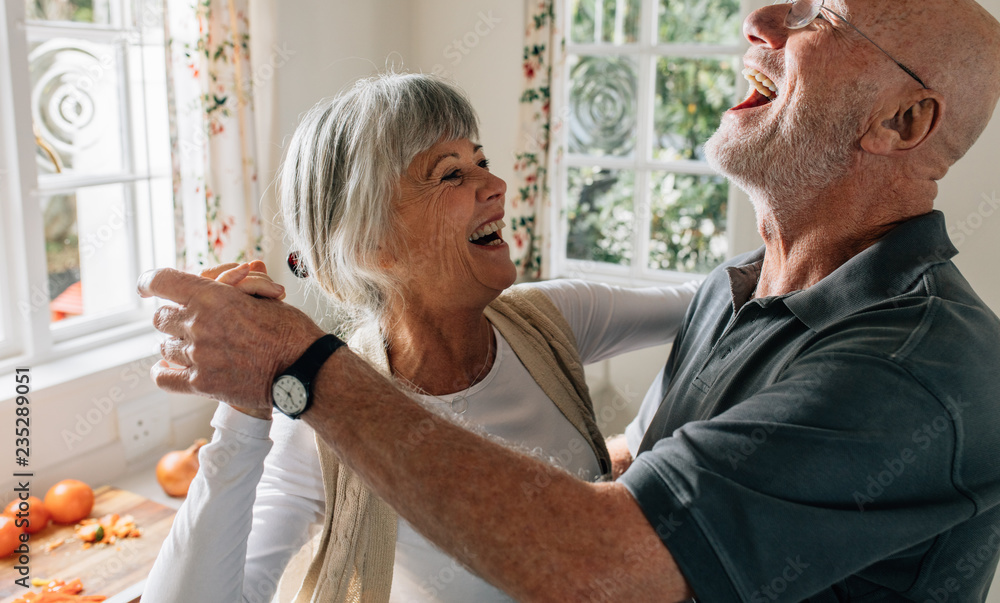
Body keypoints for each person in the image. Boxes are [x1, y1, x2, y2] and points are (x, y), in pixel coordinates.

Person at [140, 0, 1000, 601]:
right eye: (448, 172)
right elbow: (651, 474)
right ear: (368, 244)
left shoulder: (916, 368)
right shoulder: (736, 291)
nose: (760, 17)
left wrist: (301, 371)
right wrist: (257, 402)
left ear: (904, 120)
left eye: (819, 17)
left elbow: (606, 556)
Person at [141, 73, 697, 602]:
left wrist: (648, 442)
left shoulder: (553, 319)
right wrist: (242, 411)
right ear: (369, 244)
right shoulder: (317, 415)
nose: (498, 186)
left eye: (482, 161)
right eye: (451, 174)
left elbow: (720, 304)